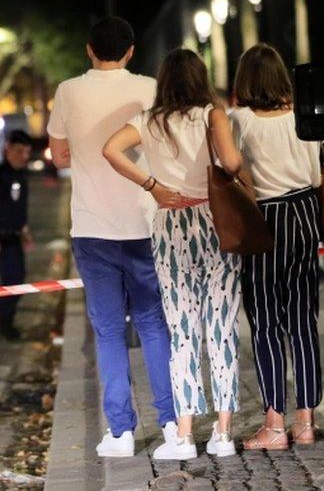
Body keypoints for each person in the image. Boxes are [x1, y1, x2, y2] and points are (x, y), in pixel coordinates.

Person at [103, 48, 244, 460]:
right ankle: (223, 434)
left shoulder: (148, 120)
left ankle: (183, 437)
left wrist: (152, 185)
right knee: (221, 326)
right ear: (200, 78)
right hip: (214, 221)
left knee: (182, 330)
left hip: (170, 223)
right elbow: (232, 163)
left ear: (164, 81)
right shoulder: (211, 114)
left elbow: (111, 149)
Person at [47, 16, 177, 458]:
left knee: (107, 332)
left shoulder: (67, 91)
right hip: (146, 223)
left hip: (92, 227)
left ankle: (120, 433)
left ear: (88, 49)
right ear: (131, 51)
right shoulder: (149, 88)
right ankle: (173, 424)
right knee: (154, 325)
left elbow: (59, 155)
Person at [231, 43, 323, 450]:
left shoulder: (239, 121)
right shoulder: (302, 116)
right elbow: (319, 177)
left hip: (265, 218)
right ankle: (306, 421)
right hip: (305, 212)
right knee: (304, 319)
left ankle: (273, 422)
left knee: (266, 321)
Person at [0, 130, 35, 340]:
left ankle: (3, 322)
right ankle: (3, 324)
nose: (23, 156)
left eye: (27, 152)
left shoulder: (21, 175)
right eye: (19, 151)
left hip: (15, 236)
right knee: (12, 281)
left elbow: (19, 208)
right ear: (8, 149)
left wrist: (26, 233)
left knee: (17, 281)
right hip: (2, 238)